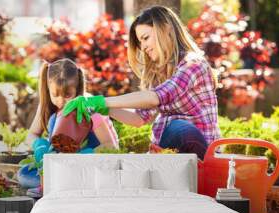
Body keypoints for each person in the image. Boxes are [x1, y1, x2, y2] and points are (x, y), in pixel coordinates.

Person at [63, 6, 220, 159]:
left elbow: (155, 97)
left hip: (202, 153)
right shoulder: (159, 74)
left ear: (165, 29)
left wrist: (103, 100)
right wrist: (104, 108)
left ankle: (158, 161)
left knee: (179, 127)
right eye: (140, 42)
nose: (143, 47)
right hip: (171, 152)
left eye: (145, 38)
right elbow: (139, 118)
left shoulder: (193, 64)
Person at [18, 58, 119, 190]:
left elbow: (111, 146)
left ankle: (61, 184)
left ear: (77, 90)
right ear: (48, 90)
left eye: (67, 95)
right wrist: (40, 146)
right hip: (61, 163)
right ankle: (63, 183)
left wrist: (84, 156)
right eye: (55, 95)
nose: (61, 101)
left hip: (90, 164)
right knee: (24, 174)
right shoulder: (48, 106)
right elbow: (31, 134)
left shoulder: (89, 107)